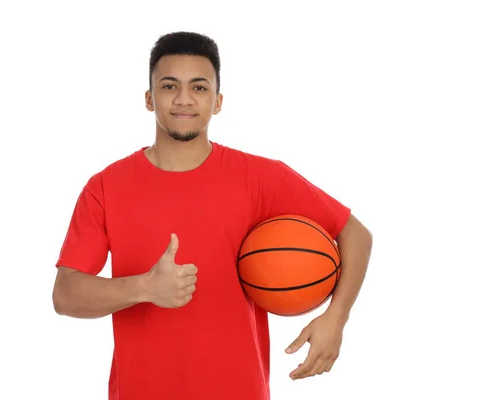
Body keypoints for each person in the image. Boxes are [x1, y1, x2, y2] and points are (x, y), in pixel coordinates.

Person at [52, 31, 373, 400]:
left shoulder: (260, 177)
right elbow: (65, 295)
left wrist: (336, 318)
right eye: (169, 85)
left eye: (199, 88)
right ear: (148, 98)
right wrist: (144, 287)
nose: (184, 99)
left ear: (218, 101)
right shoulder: (106, 186)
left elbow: (354, 233)